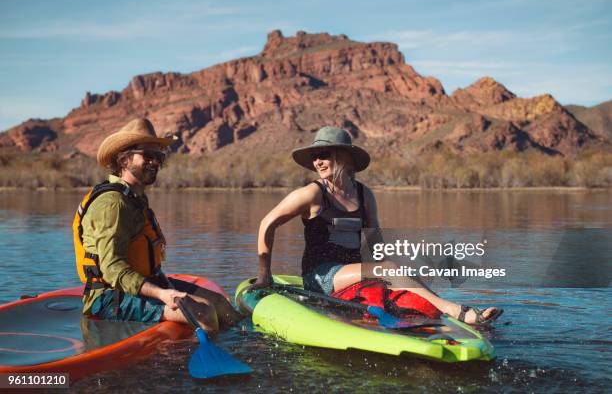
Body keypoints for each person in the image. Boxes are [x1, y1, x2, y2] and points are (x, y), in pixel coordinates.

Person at [251, 126, 502, 325]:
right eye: (315, 156)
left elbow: (375, 242)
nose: (318, 161)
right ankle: (456, 311)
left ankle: (439, 312)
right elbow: (266, 224)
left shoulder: (364, 195)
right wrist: (265, 276)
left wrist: (387, 274)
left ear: (345, 157)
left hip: (352, 273)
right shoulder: (311, 194)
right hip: (321, 277)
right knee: (389, 269)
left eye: (324, 154)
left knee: (401, 270)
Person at [73, 117, 241, 335]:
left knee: (218, 302)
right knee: (204, 312)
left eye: (159, 157)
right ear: (124, 160)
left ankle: (246, 345)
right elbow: (113, 270)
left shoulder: (134, 198)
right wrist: (162, 294)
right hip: (108, 297)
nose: (155, 162)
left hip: (142, 285)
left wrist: (162, 288)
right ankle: (195, 365)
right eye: (148, 155)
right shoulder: (113, 205)